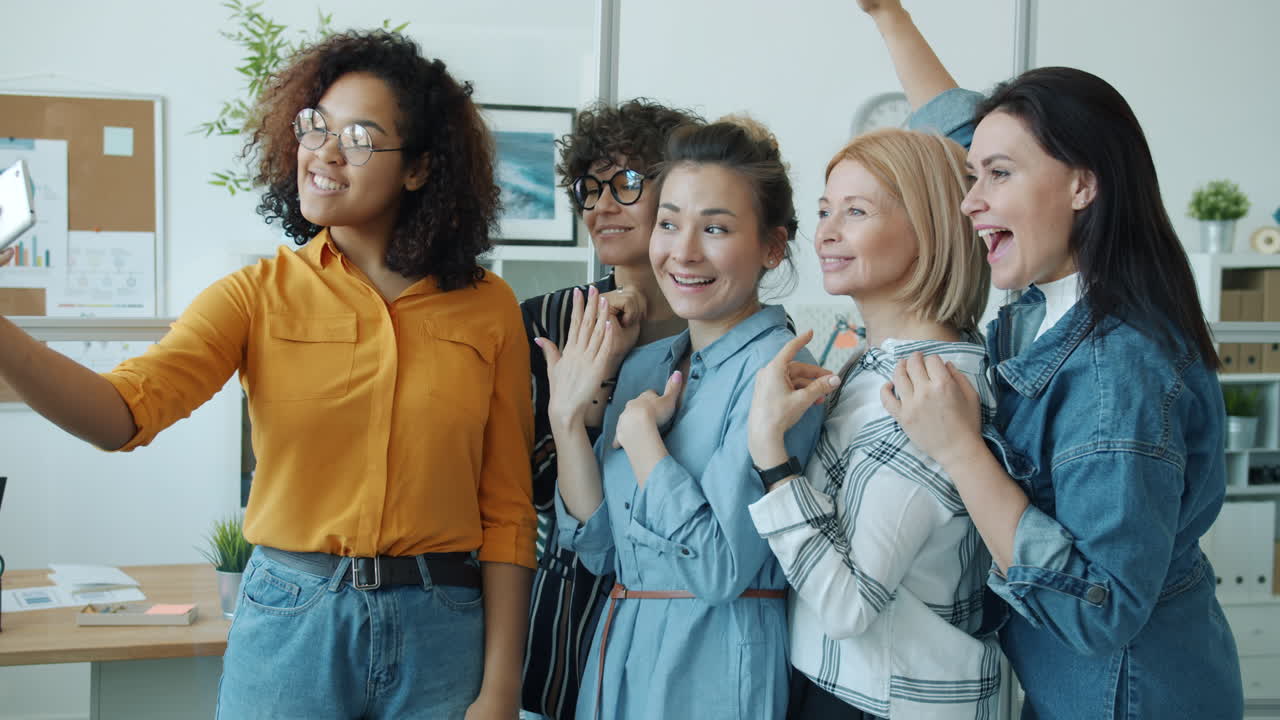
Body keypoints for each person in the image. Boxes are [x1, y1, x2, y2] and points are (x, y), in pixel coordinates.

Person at [0, 32, 535, 719]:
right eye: (316, 127)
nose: (325, 152)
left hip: (442, 626)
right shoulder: (255, 295)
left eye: (361, 137)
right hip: (293, 623)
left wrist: (501, 688)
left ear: (419, 169)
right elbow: (120, 414)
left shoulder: (486, 307)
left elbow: (509, 512)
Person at [860, 3, 1245, 717]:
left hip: (1127, 695)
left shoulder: (1116, 371)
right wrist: (889, 17)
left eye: (996, 175)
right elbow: (955, 127)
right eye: (972, 175)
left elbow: (1099, 611)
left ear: (1081, 184)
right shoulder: (1054, 298)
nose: (971, 201)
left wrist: (960, 451)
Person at [538, 118, 825, 719]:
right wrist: (567, 419)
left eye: (715, 228)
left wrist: (645, 445)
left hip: (714, 665)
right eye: (669, 223)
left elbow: (720, 569)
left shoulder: (780, 375)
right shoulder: (644, 367)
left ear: (773, 247)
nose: (683, 251)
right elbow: (596, 548)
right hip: (617, 657)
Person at [746, 127, 1002, 720]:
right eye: (824, 211)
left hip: (880, 701)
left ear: (929, 229)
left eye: (856, 212)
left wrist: (771, 457)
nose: (827, 233)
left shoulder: (924, 391)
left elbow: (848, 606)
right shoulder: (877, 365)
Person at [521, 99, 701, 720]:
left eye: (626, 182)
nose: (601, 204)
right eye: (588, 187)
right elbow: (525, 486)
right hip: (566, 620)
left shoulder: (720, 333)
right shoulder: (546, 320)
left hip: (691, 630)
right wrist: (592, 390)